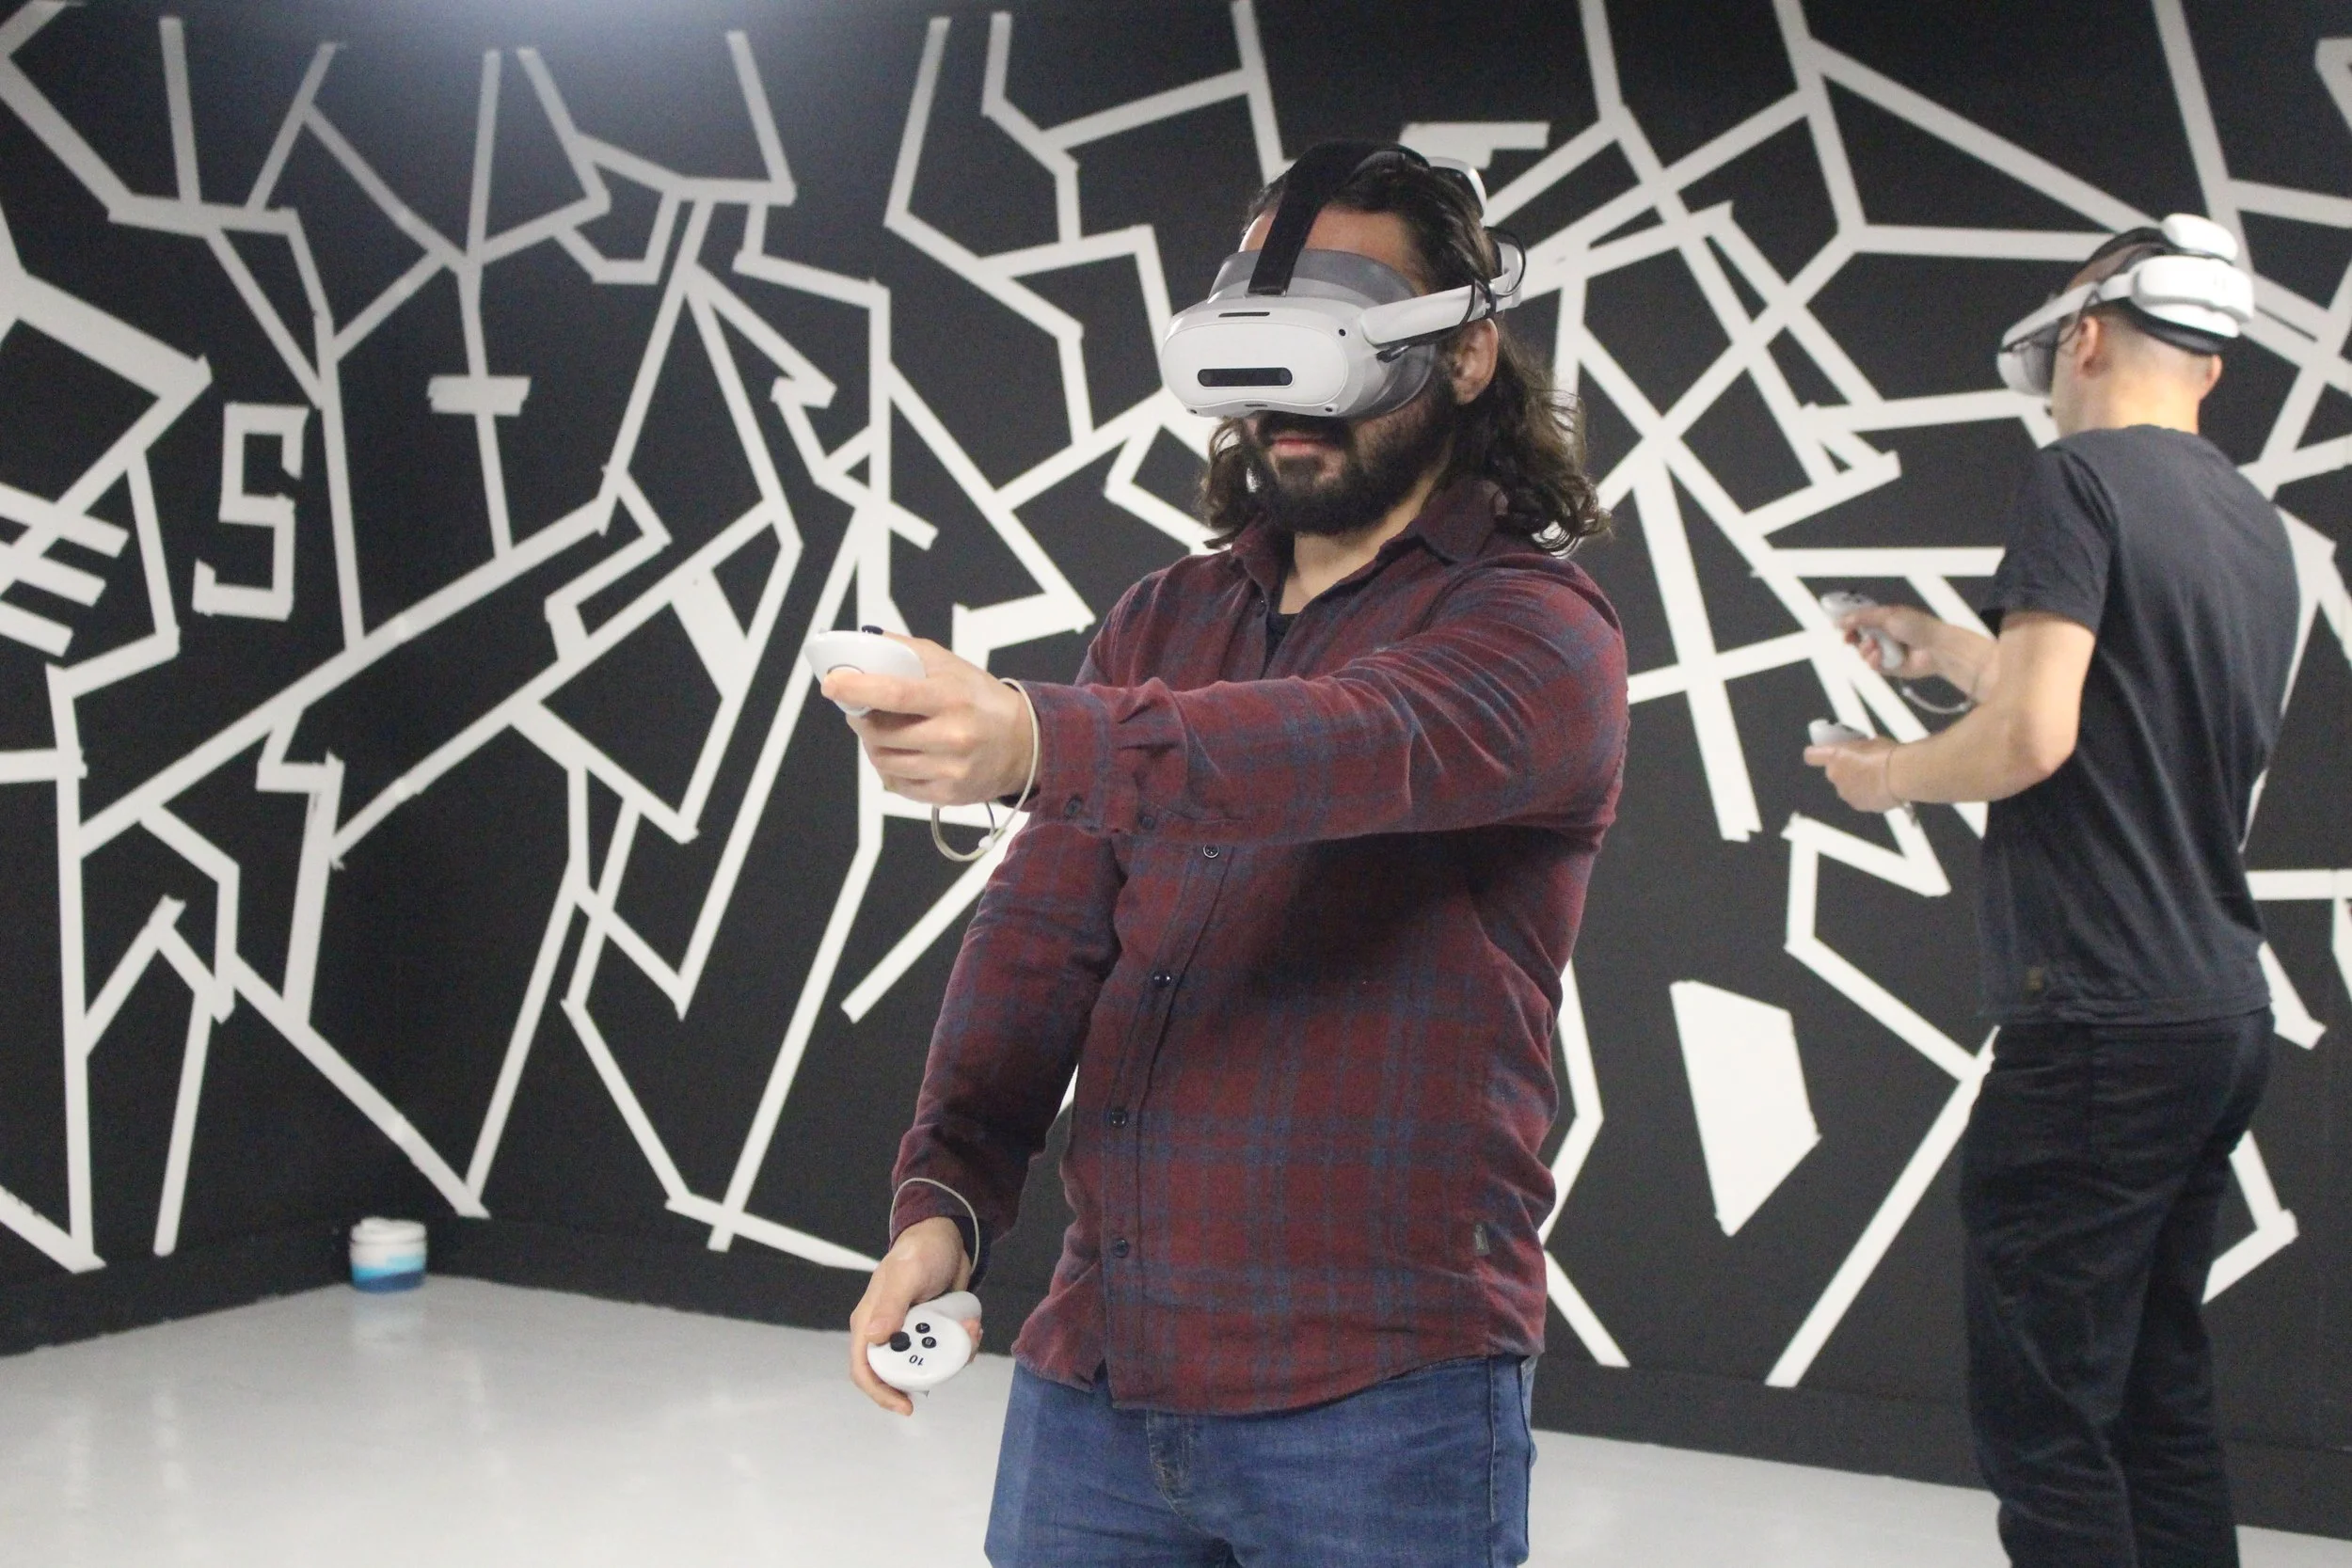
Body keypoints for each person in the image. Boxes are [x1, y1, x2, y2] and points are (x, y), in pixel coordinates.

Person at [827, 144, 1628, 1567]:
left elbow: (1338, 745)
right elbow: (1043, 938)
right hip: (1101, 1384)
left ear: (1464, 356)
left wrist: (1034, 739)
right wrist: (946, 1199)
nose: (1284, 404)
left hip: (1382, 1404)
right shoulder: (1162, 618)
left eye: (1337, 346)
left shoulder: (1542, 636)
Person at [1806, 223, 2297, 1567]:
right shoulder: (2254, 527)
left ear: (2082, 334)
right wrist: (1953, 648)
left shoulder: (2073, 483)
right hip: (2213, 1011)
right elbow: (2123, 717)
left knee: (2044, 1422)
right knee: (2154, 1396)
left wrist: (1888, 771)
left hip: (2095, 1020)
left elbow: (2037, 740)